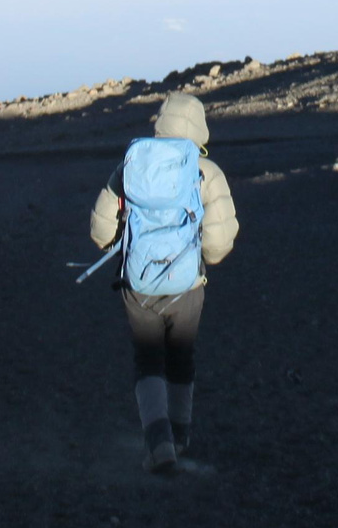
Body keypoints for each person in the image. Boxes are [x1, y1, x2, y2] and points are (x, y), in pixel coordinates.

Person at [87, 92, 238, 473]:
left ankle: (158, 445)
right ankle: (180, 434)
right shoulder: (207, 172)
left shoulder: (131, 167)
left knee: (148, 360)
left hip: (138, 284)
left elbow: (100, 231)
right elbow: (219, 244)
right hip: (187, 285)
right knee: (181, 357)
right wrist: (204, 258)